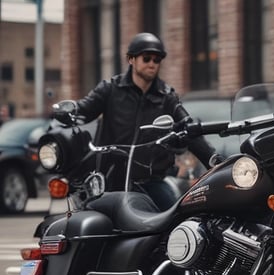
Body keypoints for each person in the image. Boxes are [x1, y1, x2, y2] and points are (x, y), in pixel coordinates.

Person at [56, 32, 217, 210]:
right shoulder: (110, 90)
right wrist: (69, 112)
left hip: (150, 182)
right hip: (109, 181)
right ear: (131, 59)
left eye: (157, 60)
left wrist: (214, 161)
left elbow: (189, 129)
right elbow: (83, 110)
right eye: (146, 58)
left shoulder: (166, 96)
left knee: (175, 217)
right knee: (89, 223)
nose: (152, 64)